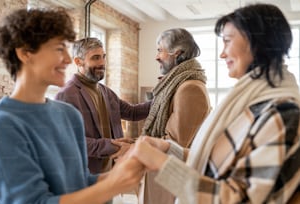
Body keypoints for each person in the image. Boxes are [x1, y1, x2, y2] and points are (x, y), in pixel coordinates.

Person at [126, 3, 300, 204]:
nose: (222, 54)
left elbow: (239, 199)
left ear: (256, 42)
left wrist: (162, 163)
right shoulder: (253, 103)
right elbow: (221, 162)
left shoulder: (283, 114)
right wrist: (168, 149)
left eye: (227, 41)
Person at [0, 8, 144, 204]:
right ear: (25, 53)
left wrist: (126, 171)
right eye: (58, 49)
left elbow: (80, 182)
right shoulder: (3, 126)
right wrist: (113, 185)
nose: (67, 59)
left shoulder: (69, 115)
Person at [134, 28, 211, 204]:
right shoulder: (175, 84)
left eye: (160, 50)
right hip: (160, 177)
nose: (156, 56)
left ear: (177, 53)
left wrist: (135, 146)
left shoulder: (189, 88)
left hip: (170, 183)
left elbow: (175, 145)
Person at [55, 37, 151, 174]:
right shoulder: (66, 95)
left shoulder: (105, 92)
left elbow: (132, 112)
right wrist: (111, 146)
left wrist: (165, 97)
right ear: (78, 61)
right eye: (95, 58)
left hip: (110, 172)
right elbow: (69, 141)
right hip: (85, 175)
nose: (102, 63)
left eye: (103, 57)